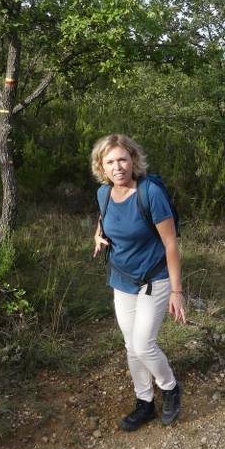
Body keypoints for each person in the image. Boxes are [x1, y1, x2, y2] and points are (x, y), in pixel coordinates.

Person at [91, 134, 185, 431]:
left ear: (133, 160)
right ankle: (144, 402)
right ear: (102, 167)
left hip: (154, 279)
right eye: (110, 162)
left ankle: (170, 388)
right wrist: (98, 234)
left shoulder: (150, 193)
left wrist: (177, 291)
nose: (117, 167)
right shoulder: (104, 194)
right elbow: (105, 217)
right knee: (131, 346)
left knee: (144, 345)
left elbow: (171, 244)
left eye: (122, 159)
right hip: (122, 280)